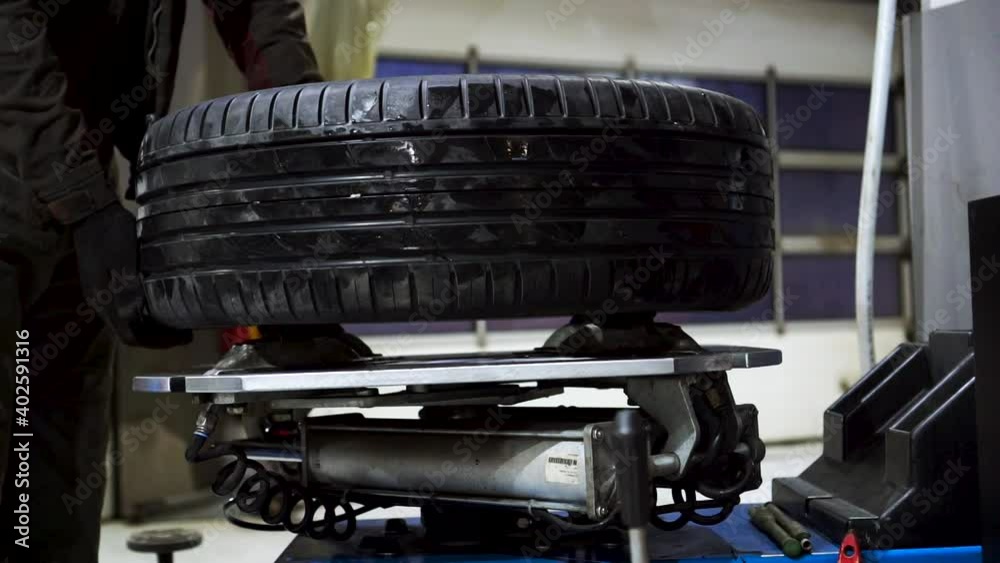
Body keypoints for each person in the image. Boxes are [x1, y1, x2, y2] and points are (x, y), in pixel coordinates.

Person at [0, 1, 322, 561]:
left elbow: (259, 15)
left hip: (77, 191)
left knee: (58, 465)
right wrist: (88, 206)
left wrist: (306, 169)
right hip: (44, 175)